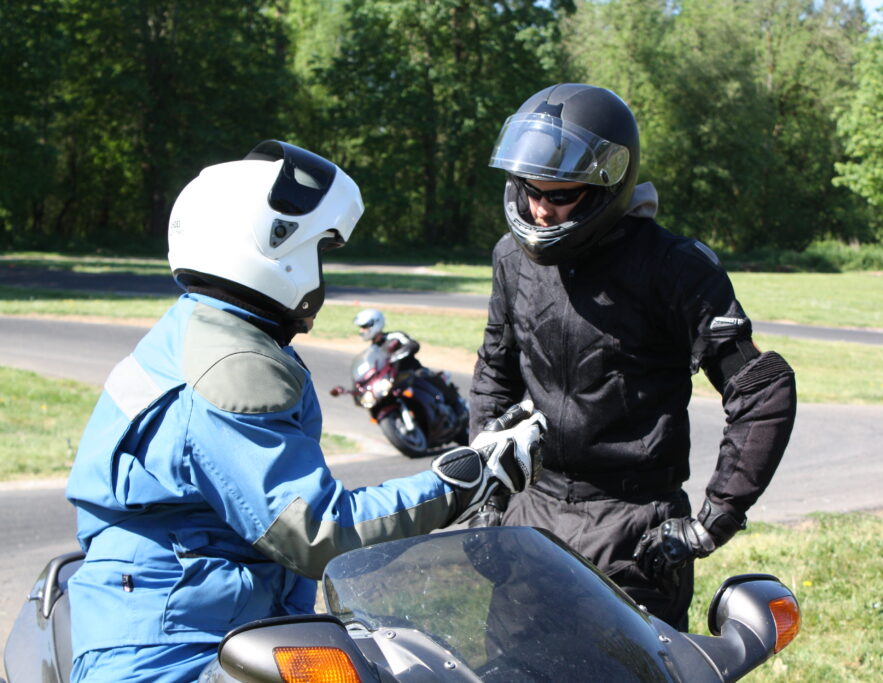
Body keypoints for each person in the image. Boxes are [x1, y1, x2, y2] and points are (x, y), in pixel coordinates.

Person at [64, 140, 546, 682]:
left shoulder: (202, 329)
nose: (322, 271)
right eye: (320, 250)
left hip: (205, 623)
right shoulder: (228, 365)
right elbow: (319, 531)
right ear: (275, 249)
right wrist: (467, 479)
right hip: (175, 655)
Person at [468, 84, 797, 630]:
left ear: (606, 184)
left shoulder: (675, 267)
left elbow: (761, 389)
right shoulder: (512, 259)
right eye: (530, 191)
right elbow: (493, 374)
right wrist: (486, 489)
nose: (541, 210)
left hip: (635, 531)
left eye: (560, 194)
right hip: (531, 516)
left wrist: (713, 520)